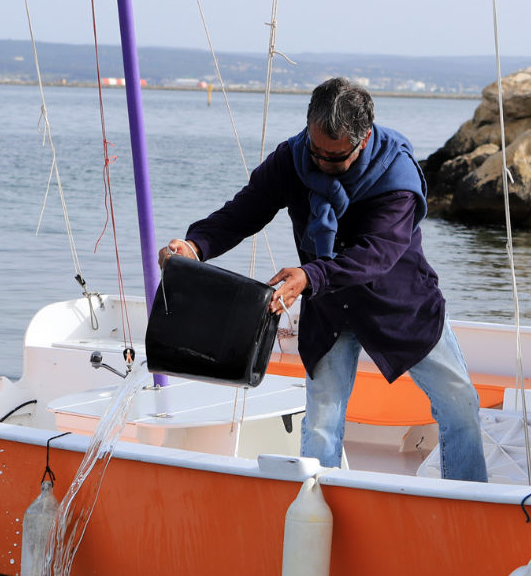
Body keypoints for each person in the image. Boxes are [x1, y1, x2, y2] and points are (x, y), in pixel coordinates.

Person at [158, 77, 488, 481]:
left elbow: (376, 254)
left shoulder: (397, 178)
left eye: (334, 157)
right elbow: (243, 212)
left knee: (460, 406)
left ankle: (467, 498)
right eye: (316, 150)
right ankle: (315, 512)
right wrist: (195, 245)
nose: (320, 162)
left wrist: (309, 274)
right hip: (329, 309)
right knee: (320, 425)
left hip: (401, 305)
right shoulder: (293, 159)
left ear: (363, 139)